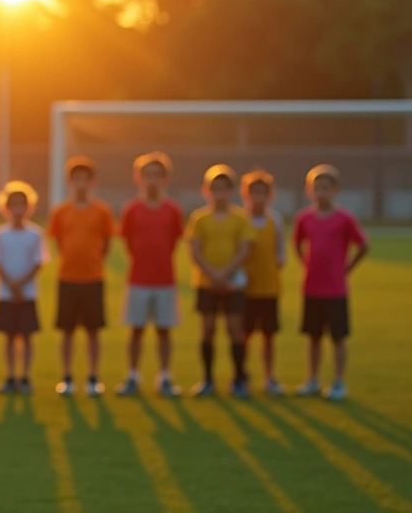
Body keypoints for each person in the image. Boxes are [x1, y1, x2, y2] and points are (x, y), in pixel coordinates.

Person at [294, 164, 368, 401]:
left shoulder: (344, 219)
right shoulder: (304, 218)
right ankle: (313, 380)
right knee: (313, 337)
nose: (321, 193)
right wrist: (306, 264)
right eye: (316, 188)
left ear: (336, 190)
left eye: (325, 188)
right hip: (312, 288)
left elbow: (363, 245)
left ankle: (338, 382)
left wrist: (347, 269)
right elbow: (297, 243)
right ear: (309, 190)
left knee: (337, 338)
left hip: (335, 289)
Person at [187, 165, 256, 399]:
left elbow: (244, 250)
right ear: (206, 190)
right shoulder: (199, 218)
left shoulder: (240, 218)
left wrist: (224, 274)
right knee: (207, 330)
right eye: (215, 188)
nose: (219, 194)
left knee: (235, 330)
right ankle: (208, 380)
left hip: (232, 284)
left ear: (232, 191)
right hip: (206, 284)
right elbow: (195, 251)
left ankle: (239, 380)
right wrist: (213, 275)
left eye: (224, 189)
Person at [117, 152, 183, 397]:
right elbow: (128, 242)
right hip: (138, 280)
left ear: (165, 179)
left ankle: (165, 377)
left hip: (165, 280)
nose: (152, 180)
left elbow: (174, 241)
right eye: (148, 175)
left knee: (164, 330)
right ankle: (133, 376)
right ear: (138, 178)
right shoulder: (132, 210)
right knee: (136, 330)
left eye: (157, 175)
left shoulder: (172, 210)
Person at [47, 157, 114, 397]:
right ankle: (67, 377)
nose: (81, 184)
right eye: (76, 179)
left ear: (92, 182)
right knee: (67, 330)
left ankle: (93, 377)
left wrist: (94, 262)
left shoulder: (102, 211)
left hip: (93, 278)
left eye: (85, 179)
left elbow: (107, 243)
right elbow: (58, 242)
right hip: (67, 278)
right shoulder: (60, 212)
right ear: (69, 182)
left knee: (93, 331)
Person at [0, 181, 48, 396]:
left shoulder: (35, 234)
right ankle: (11, 376)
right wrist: (11, 285)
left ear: (29, 207)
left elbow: (38, 262)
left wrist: (21, 284)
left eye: (22, 204)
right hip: (6, 293)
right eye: (14, 205)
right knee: (9, 336)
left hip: (27, 293)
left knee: (27, 336)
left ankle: (26, 376)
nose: (18, 209)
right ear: (6, 208)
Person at [241, 169, 286, 396]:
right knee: (244, 335)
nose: (258, 198)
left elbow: (280, 255)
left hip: (269, 288)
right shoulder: (241, 220)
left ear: (270, 195)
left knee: (269, 336)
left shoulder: (274, 220)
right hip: (246, 290)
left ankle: (269, 377)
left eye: (263, 193)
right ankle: (241, 376)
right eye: (254, 193)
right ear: (246, 195)